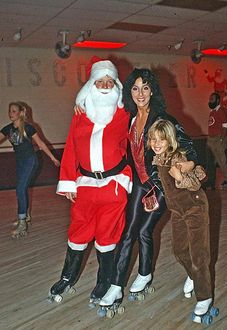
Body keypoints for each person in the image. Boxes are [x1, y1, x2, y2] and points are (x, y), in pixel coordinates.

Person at [98, 68, 198, 313]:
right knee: (127, 232)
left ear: (152, 90)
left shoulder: (163, 120)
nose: (140, 93)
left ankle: (144, 274)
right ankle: (116, 285)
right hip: (140, 184)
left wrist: (184, 166)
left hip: (162, 184)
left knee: (144, 231)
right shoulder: (130, 119)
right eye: (135, 88)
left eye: (145, 87)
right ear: (129, 92)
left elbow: (191, 151)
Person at [48, 57, 132, 305]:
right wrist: (68, 183)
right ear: (91, 86)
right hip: (85, 185)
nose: (105, 86)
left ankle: (104, 281)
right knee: (78, 231)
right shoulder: (80, 116)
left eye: (110, 81)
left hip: (113, 185)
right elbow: (71, 151)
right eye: (100, 81)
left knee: (108, 236)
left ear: (116, 85)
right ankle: (67, 277)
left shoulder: (123, 114)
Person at [147, 119, 218, 323]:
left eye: (161, 139)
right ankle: (194, 276)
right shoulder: (157, 159)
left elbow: (196, 181)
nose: (157, 143)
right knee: (179, 251)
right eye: (153, 139)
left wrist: (180, 175)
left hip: (195, 208)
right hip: (177, 212)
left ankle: (204, 297)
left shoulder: (176, 157)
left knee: (199, 256)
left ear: (170, 140)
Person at [0, 101, 60, 238]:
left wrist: (52, 158)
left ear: (21, 113)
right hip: (20, 162)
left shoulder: (28, 128)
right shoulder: (8, 129)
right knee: (22, 188)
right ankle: (24, 215)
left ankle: (22, 223)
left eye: (14, 111)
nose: (11, 113)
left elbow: (41, 144)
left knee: (20, 189)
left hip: (30, 161)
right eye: (10, 111)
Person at [205, 92, 227, 189]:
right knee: (210, 162)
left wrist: (222, 139)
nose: (210, 101)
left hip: (218, 139)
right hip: (210, 140)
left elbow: (226, 126)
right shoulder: (212, 112)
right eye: (209, 99)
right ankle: (210, 181)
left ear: (217, 100)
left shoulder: (221, 111)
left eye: (212, 99)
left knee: (221, 161)